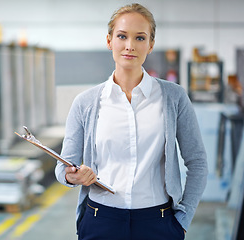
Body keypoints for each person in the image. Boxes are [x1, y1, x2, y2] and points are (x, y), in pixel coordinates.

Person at [55, 3, 208, 240]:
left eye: (139, 37)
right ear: (109, 41)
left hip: (158, 223)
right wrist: (71, 176)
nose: (130, 46)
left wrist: (182, 221)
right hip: (100, 222)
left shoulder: (174, 97)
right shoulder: (85, 102)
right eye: (122, 36)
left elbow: (197, 163)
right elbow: (63, 167)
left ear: (150, 45)